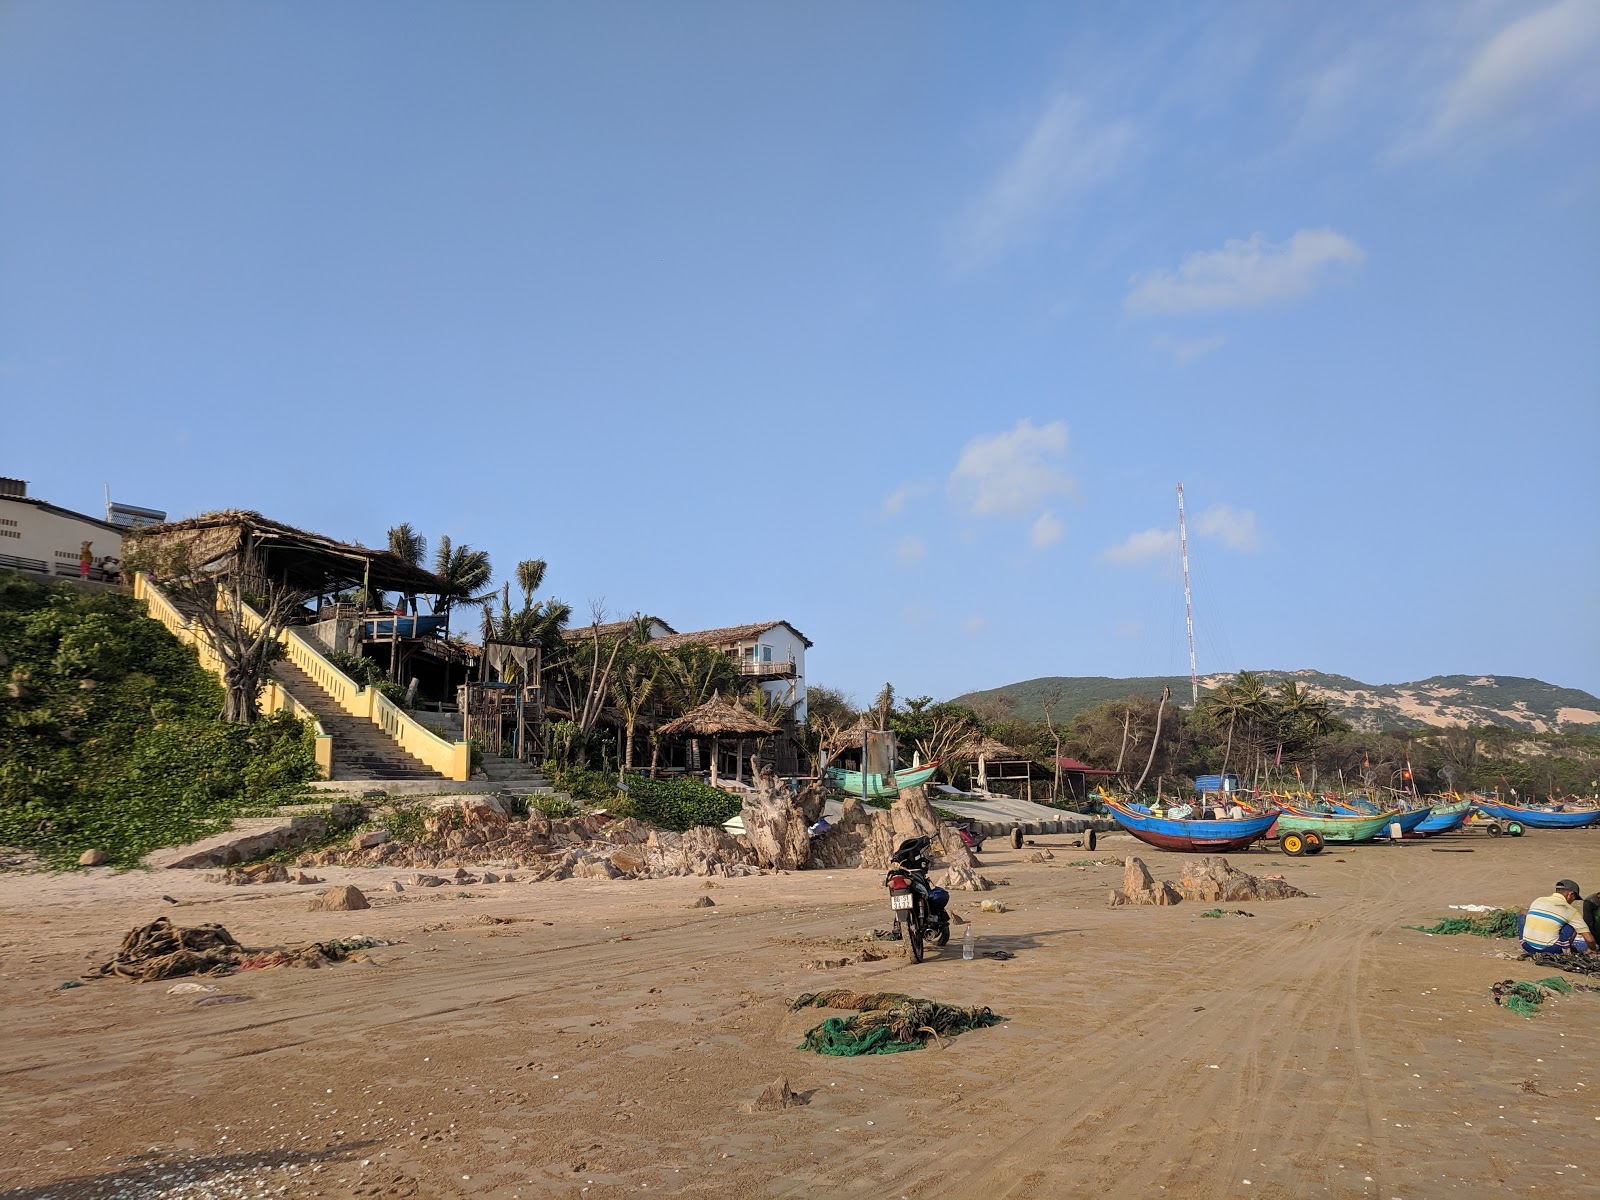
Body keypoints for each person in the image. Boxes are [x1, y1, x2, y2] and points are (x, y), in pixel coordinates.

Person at [1520, 879, 1597, 954]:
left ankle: (1531, 940)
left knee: (1524, 915)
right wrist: (1592, 949)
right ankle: (1566, 949)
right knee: (1574, 924)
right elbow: (1589, 939)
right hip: (1551, 949)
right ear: (1570, 895)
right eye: (1574, 898)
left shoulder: (1538, 900)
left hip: (1526, 946)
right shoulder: (1570, 910)